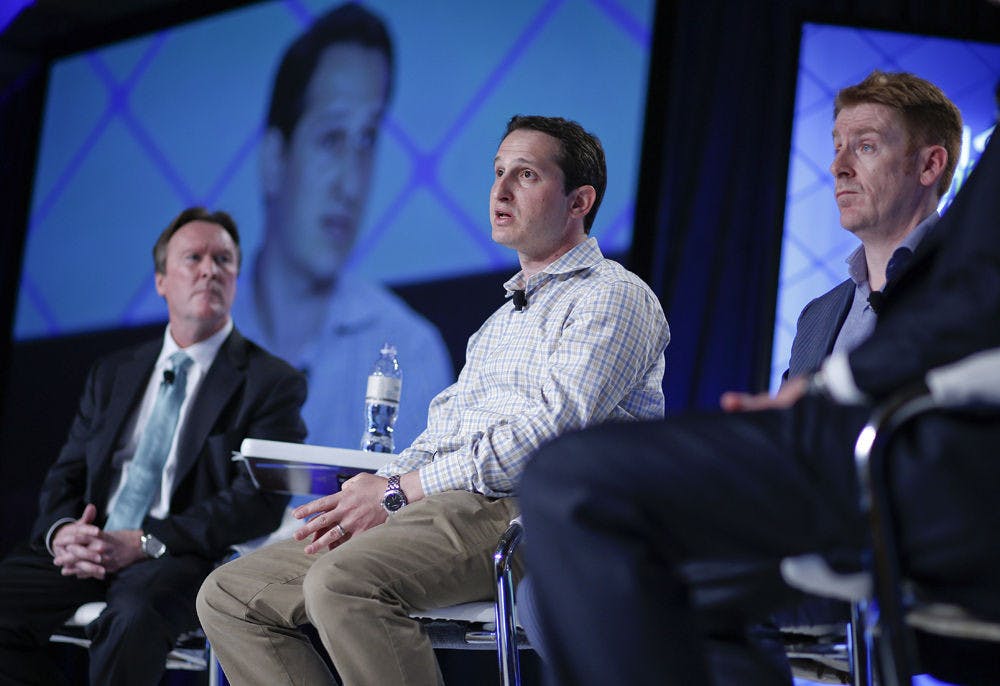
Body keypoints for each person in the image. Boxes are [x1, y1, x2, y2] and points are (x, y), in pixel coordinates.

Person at [520, 72, 1000, 685]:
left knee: (582, 500)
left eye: (867, 146)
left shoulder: (950, 285)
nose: (839, 167)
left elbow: (968, 317)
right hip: (818, 505)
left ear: (931, 164)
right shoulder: (821, 313)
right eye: (836, 145)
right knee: (569, 584)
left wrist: (833, 389)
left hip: (897, 497)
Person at [197, 114, 670, 685]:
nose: (499, 191)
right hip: (441, 507)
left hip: (532, 515)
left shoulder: (613, 296)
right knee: (230, 593)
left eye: (525, 175)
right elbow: (440, 435)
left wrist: (397, 491)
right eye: (497, 173)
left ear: (579, 201)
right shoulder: (498, 324)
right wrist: (373, 490)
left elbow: (552, 434)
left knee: (342, 583)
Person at [0, 207, 307, 685]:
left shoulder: (271, 382)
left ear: (236, 278)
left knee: (133, 616)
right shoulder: (114, 372)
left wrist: (145, 541)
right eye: (194, 258)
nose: (210, 270)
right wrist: (62, 532)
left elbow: (258, 503)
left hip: (174, 556)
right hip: (90, 546)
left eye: (223, 260)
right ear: (162, 280)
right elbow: (67, 475)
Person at [234, 1, 453, 452]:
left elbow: (426, 523)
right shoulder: (193, 337)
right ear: (275, 159)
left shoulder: (411, 352)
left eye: (367, 140)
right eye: (331, 138)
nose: (351, 185)